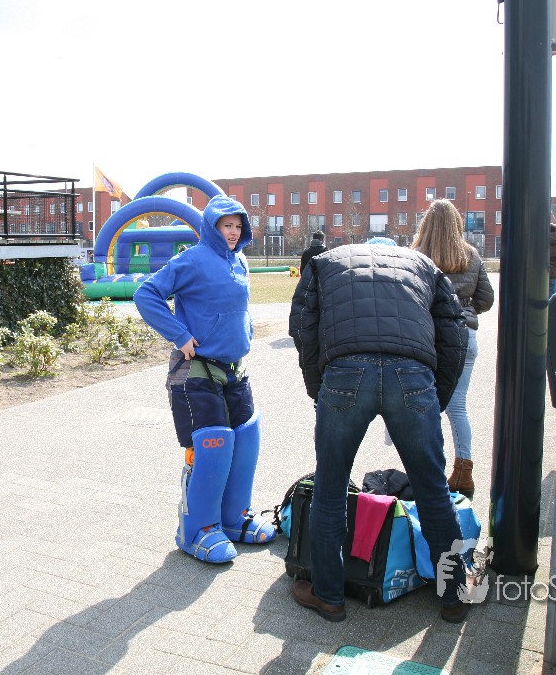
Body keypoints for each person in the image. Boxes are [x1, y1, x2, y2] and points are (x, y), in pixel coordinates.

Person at [288, 239, 472, 622]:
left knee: (330, 487)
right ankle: (454, 595)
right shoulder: (424, 265)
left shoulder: (323, 263)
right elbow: (455, 330)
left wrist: (319, 388)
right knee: (433, 489)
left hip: (345, 370)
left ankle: (328, 596)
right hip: (412, 372)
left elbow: (302, 325)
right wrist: (435, 396)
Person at [133, 194, 276, 564]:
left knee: (245, 440)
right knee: (213, 446)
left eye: (238, 225)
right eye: (227, 225)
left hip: (234, 367)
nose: (233, 232)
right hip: (196, 370)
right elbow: (146, 293)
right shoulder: (193, 259)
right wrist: (180, 335)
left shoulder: (239, 259)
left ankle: (234, 518)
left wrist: (245, 330)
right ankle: (198, 530)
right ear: (212, 227)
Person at [412, 200, 495, 499]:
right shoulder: (470, 255)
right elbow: (486, 299)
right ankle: (463, 471)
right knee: (457, 407)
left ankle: (428, 472)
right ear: (457, 224)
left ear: (426, 225)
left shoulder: (417, 257)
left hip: (428, 337)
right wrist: (465, 310)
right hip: (464, 335)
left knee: (422, 406)